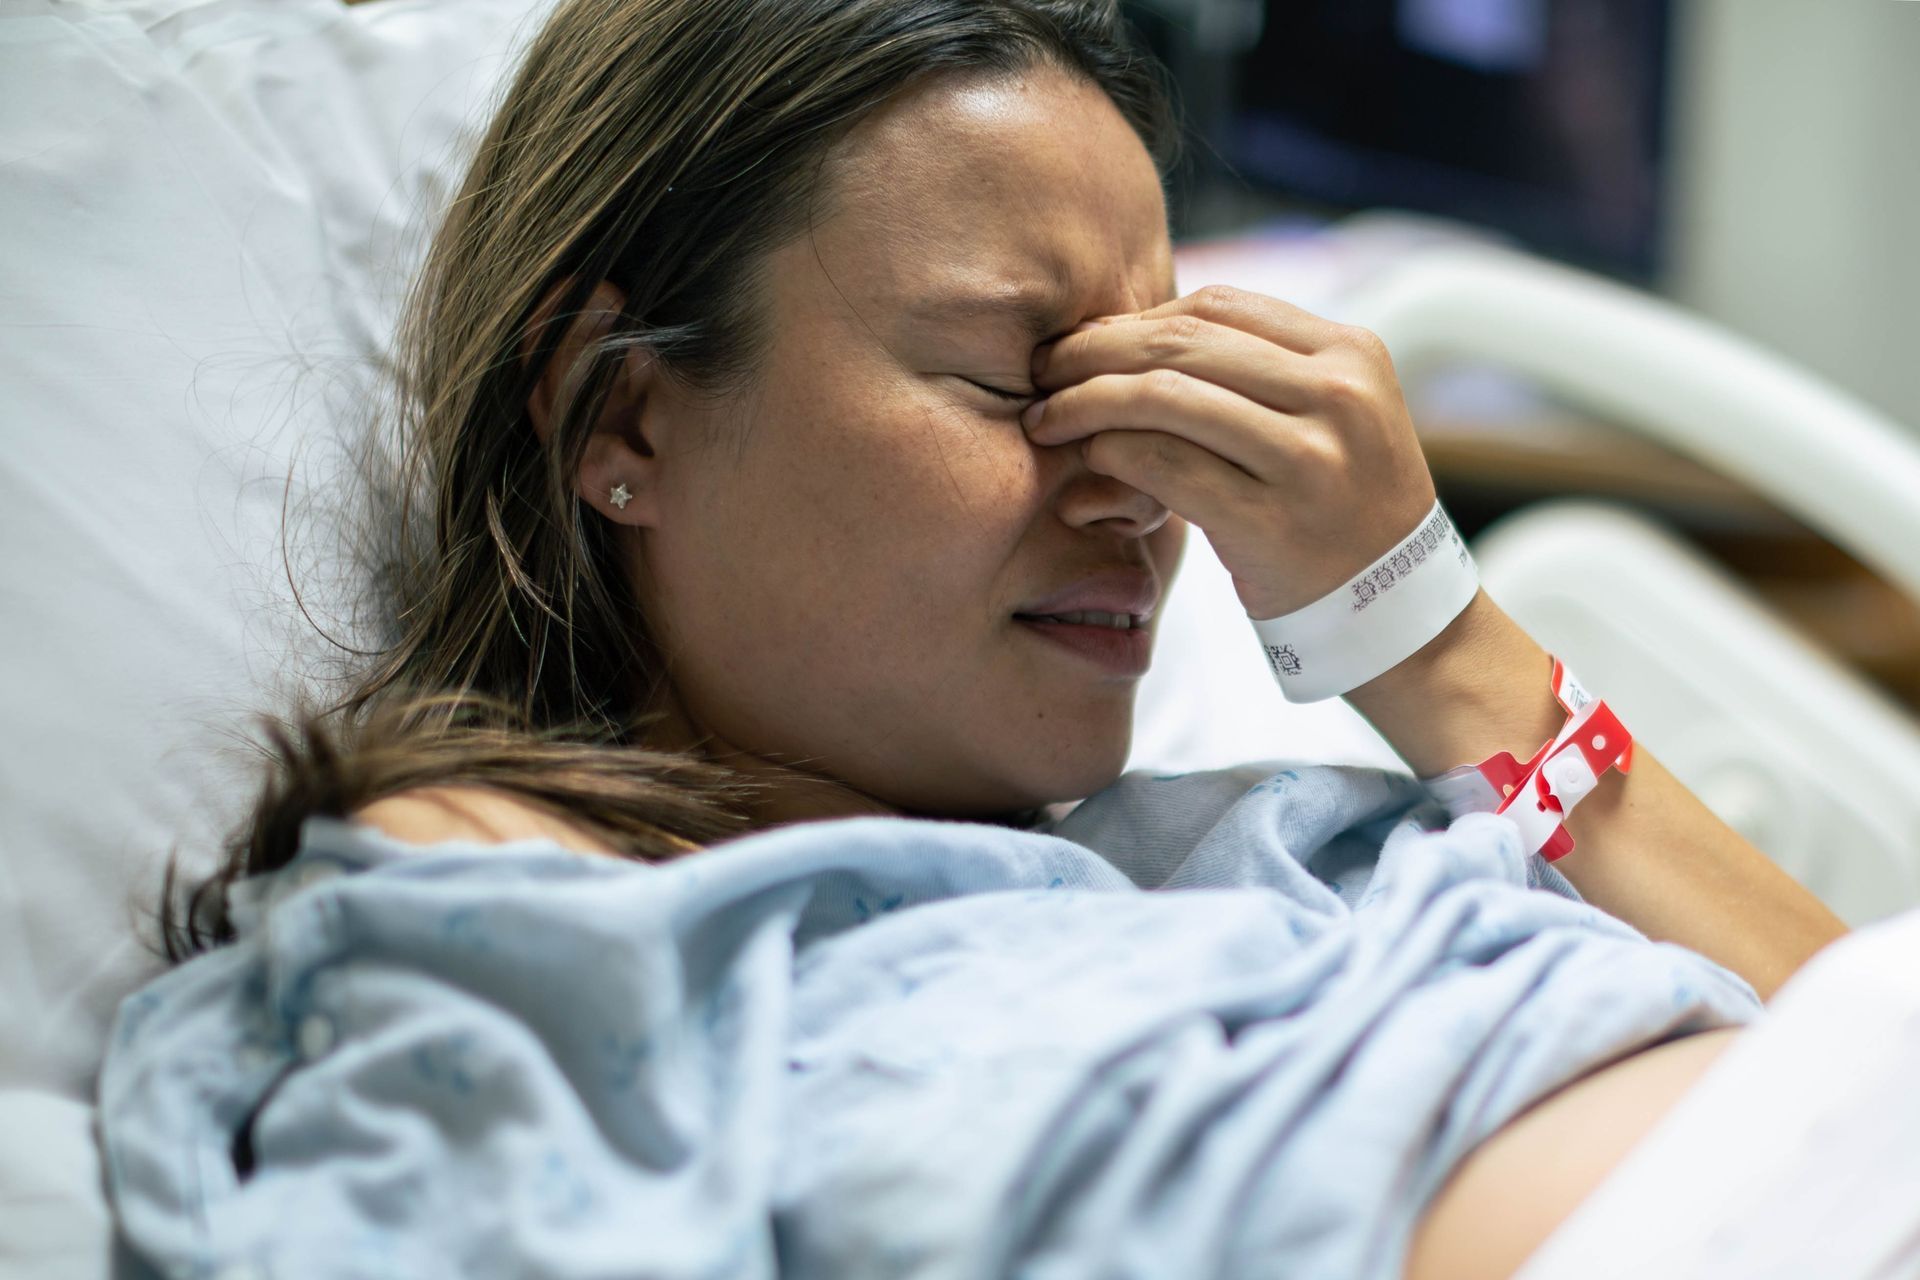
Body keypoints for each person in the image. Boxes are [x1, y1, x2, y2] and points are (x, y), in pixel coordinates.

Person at [145, 0, 1848, 1276]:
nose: (1140, 491)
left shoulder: (1275, 834)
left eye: (1160, 383)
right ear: (623, 416)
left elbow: (1835, 1017)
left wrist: (1427, 631)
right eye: (1017, 382)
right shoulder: (507, 924)